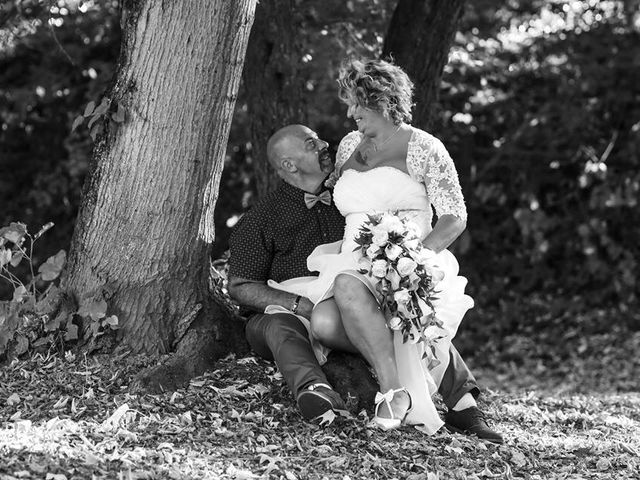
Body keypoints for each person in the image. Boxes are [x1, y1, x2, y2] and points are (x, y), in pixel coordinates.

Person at [228, 119, 503, 442]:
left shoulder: (346, 197)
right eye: (311, 144)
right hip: (286, 304)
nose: (324, 146)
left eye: (318, 140)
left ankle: (463, 403)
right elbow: (239, 286)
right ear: (289, 164)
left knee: (406, 314)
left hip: (343, 299)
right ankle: (314, 390)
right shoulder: (263, 217)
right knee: (282, 325)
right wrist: (296, 304)